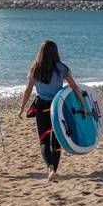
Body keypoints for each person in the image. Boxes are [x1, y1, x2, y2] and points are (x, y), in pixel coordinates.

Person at [18, 40, 85, 182]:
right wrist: (82, 103)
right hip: (58, 107)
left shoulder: (35, 68)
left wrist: (22, 108)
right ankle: (54, 170)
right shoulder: (61, 68)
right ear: (55, 52)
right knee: (57, 141)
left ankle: (50, 168)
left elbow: (28, 90)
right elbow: (74, 86)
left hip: (42, 107)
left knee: (44, 141)